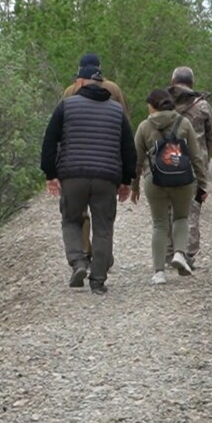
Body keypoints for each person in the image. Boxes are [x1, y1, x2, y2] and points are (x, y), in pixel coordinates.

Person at [41, 63, 137, 295]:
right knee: (104, 227)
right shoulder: (117, 111)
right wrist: (126, 180)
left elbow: (50, 141)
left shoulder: (66, 106)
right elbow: (128, 148)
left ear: (82, 82)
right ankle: (98, 280)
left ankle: (78, 262)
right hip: (107, 178)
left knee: (71, 220)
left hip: (73, 175)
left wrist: (50, 174)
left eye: (76, 80)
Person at [131, 87, 209, 285]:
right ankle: (180, 254)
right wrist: (202, 184)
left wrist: (134, 186)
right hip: (183, 179)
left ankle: (159, 273)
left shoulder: (144, 127)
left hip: (154, 179)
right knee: (181, 218)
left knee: (159, 224)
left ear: (153, 106)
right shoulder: (184, 124)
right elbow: (196, 156)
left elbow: (136, 161)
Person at [61, 53, 130, 266]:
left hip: (75, 160)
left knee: (78, 213)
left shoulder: (70, 91)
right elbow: (124, 125)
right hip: (108, 158)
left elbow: (60, 126)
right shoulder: (114, 89)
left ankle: (83, 252)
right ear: (100, 68)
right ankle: (104, 257)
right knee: (104, 216)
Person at [165, 66, 212, 270]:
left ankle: (169, 252)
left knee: (169, 207)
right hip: (194, 166)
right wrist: (205, 156)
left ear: (173, 82)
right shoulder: (203, 106)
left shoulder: (163, 103)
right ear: (192, 83)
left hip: (168, 162)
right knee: (191, 209)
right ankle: (186, 254)